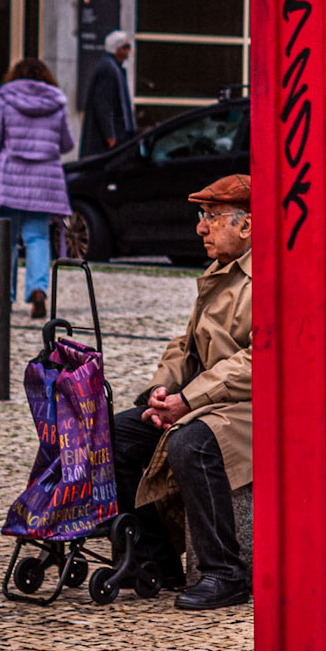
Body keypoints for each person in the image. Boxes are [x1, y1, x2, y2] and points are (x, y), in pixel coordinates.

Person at [110, 176, 251, 612]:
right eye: (202, 216)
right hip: (207, 399)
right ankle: (157, 561)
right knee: (119, 434)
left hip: (251, 404)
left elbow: (260, 360)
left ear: (246, 226)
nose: (201, 228)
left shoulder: (271, 277)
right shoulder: (220, 271)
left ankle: (225, 572)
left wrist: (188, 402)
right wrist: (162, 388)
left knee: (191, 443)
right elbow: (187, 346)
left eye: (211, 217)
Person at [0, 58, 74, 319]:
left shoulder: (4, 100)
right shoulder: (56, 103)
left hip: (10, 179)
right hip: (45, 182)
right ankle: (38, 291)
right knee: (37, 238)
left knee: (7, 240)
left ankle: (4, 296)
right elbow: (66, 143)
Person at [80, 29, 136, 157]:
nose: (129, 50)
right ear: (118, 49)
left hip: (116, 133)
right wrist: (110, 135)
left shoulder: (113, 67)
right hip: (110, 139)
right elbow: (103, 104)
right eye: (126, 47)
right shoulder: (108, 68)